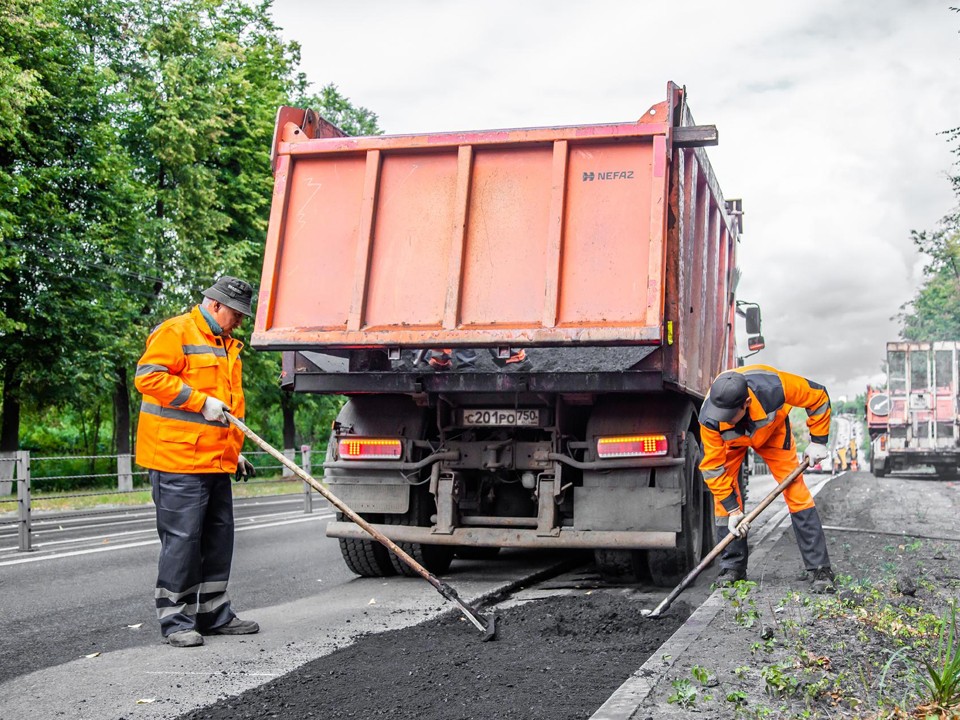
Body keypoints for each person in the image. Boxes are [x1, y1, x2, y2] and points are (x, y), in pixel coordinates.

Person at [135, 276, 259, 647]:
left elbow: (228, 411)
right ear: (215, 304)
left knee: (218, 540)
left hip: (213, 461)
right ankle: (175, 620)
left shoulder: (225, 344)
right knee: (183, 542)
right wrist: (198, 400)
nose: (240, 321)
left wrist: (232, 454)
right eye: (236, 313)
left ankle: (213, 614)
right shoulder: (177, 331)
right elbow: (148, 377)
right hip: (176, 460)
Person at [698, 365, 835, 593]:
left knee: (797, 493)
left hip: (773, 434)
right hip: (731, 445)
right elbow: (712, 467)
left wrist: (818, 440)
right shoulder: (710, 418)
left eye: (730, 416)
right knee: (723, 502)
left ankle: (819, 569)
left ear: (746, 404)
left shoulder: (774, 387)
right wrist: (733, 510)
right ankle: (732, 567)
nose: (725, 420)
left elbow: (818, 396)